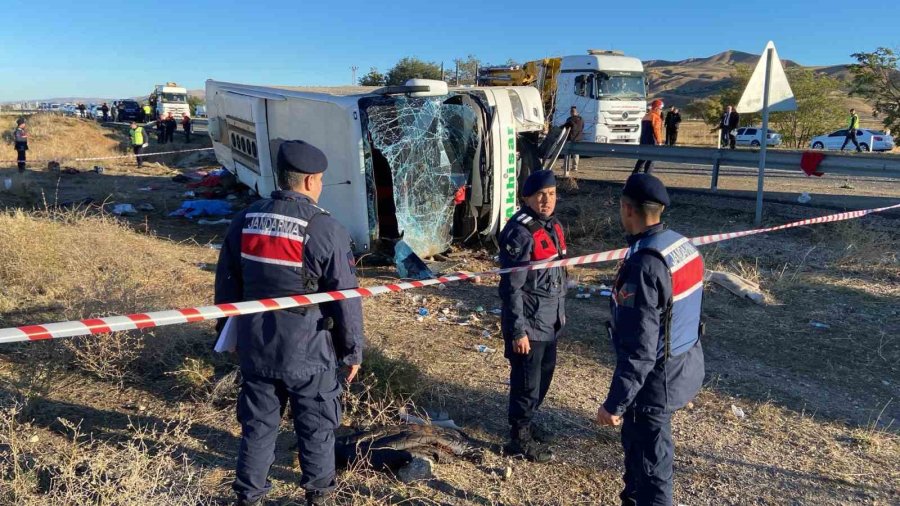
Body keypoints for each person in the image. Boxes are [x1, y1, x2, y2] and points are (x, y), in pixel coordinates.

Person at [215, 140, 365, 506]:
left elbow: (226, 283)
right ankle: (318, 496)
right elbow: (344, 298)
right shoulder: (323, 227)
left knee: (257, 428)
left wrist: (226, 334)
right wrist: (352, 351)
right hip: (309, 350)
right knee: (316, 427)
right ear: (312, 180)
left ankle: (249, 497)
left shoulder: (245, 219)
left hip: (256, 345)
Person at [596, 173, 705, 506]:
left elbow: (640, 350)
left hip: (656, 382)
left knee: (652, 468)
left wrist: (615, 403)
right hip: (685, 365)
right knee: (641, 454)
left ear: (628, 210)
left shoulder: (644, 265)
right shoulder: (681, 245)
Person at [498, 169, 567, 463]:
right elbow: (510, 288)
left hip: (550, 320)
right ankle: (519, 438)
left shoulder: (551, 226)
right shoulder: (519, 232)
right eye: (540, 195)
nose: (546, 200)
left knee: (544, 375)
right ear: (526, 197)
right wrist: (517, 331)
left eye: (551, 194)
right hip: (530, 323)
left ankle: (528, 421)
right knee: (526, 381)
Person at [633, 99, 664, 175]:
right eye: (660, 109)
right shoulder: (656, 117)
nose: (661, 111)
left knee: (642, 158)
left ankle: (635, 174)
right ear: (656, 108)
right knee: (651, 159)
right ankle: (647, 175)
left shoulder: (646, 116)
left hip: (643, 141)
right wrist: (659, 141)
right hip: (652, 141)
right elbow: (657, 130)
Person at [562, 106, 584, 172]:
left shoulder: (570, 120)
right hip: (578, 138)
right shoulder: (581, 119)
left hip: (570, 138)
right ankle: (574, 167)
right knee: (576, 153)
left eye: (572, 111)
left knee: (567, 152)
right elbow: (582, 127)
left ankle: (566, 166)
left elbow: (565, 127)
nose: (571, 113)